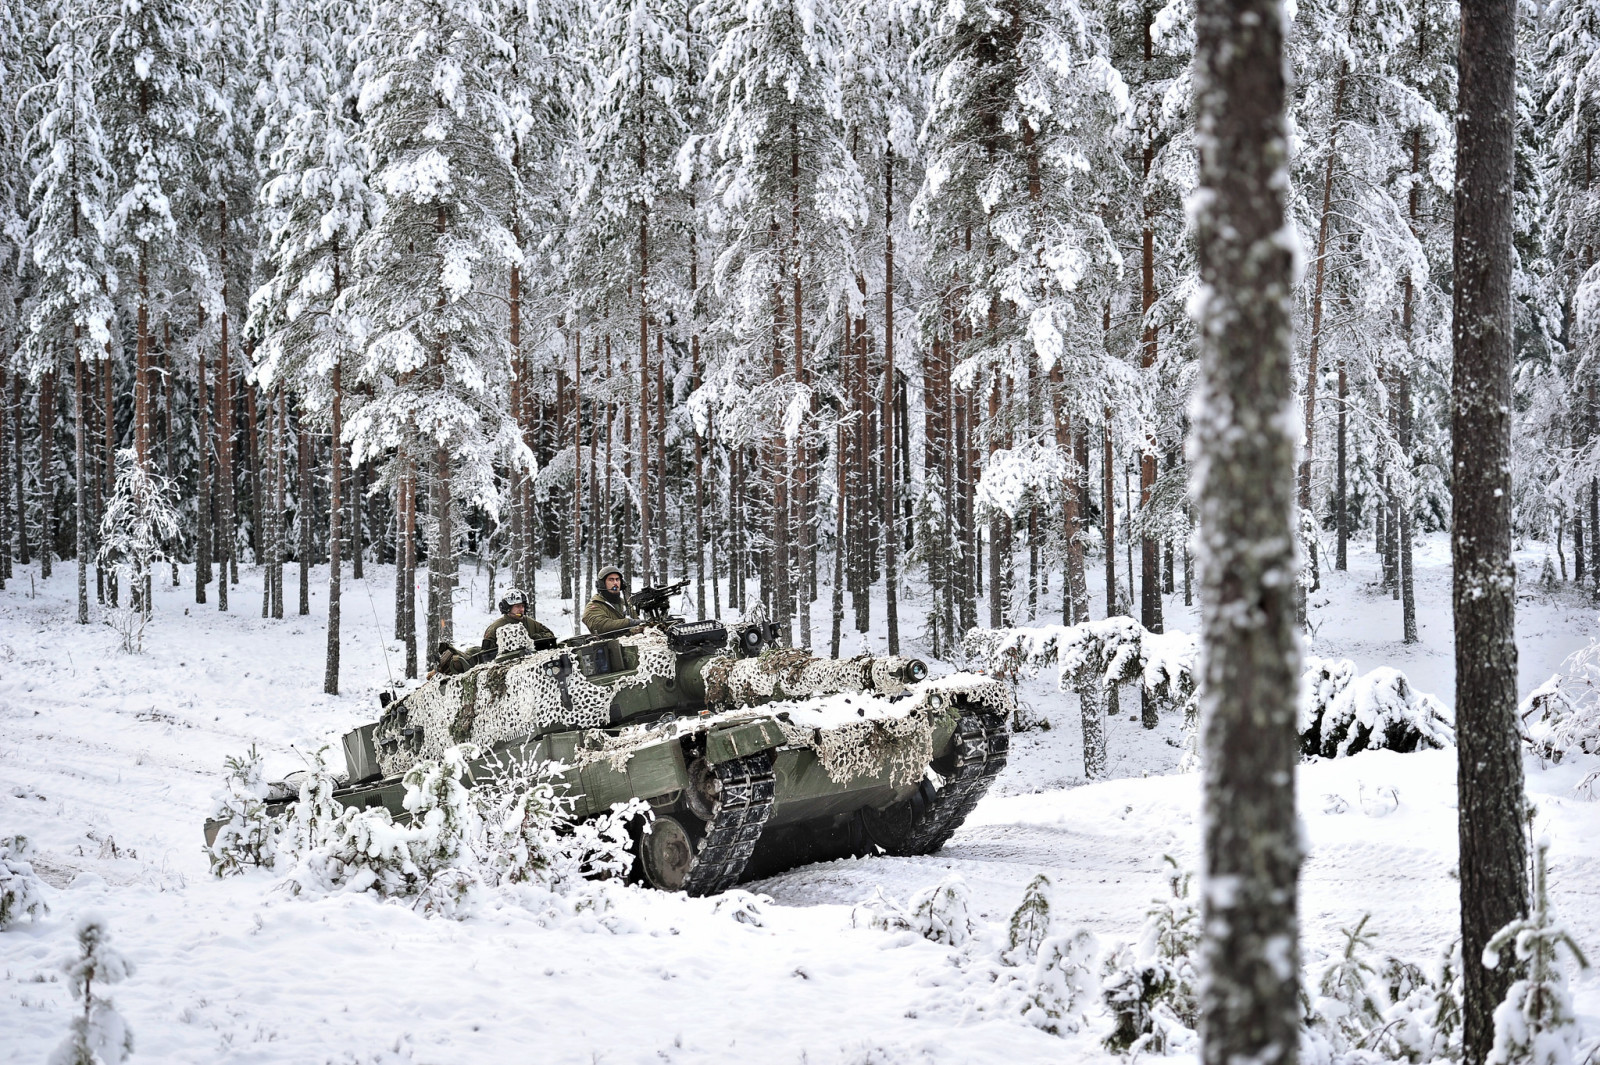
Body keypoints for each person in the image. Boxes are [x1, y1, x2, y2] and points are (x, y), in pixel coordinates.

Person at [482, 588, 555, 656]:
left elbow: (550, 635)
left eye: (523, 606)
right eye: (517, 606)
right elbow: (486, 654)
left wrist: (538, 639)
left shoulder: (531, 623)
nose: (521, 609)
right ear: (508, 608)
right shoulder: (495, 627)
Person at [583, 565, 641, 635]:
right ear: (602, 584)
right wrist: (629, 622)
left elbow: (638, 624)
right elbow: (600, 626)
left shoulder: (625, 605)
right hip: (608, 645)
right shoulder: (593, 606)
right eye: (611, 580)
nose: (615, 583)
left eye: (617, 579)